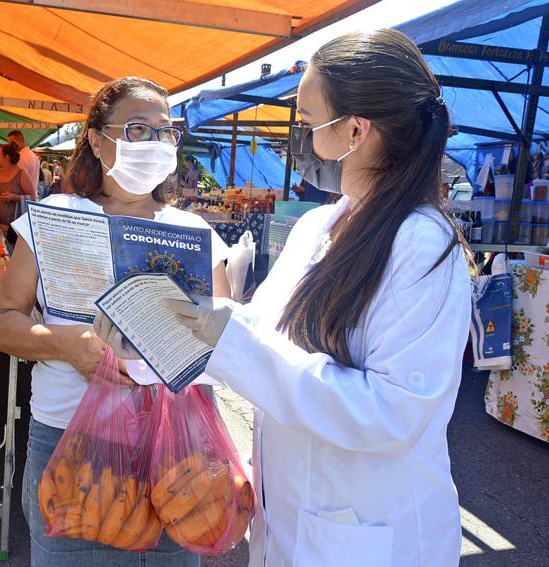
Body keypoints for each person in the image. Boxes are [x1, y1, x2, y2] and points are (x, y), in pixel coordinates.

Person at [105, 30, 472, 567]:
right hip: (294, 518)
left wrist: (217, 331)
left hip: (370, 535)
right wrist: (159, 338)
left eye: (305, 123)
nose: (299, 139)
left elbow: (390, 415)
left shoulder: (422, 245)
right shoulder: (321, 224)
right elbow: (261, 337)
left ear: (354, 131)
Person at [0, 76, 230, 567]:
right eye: (138, 129)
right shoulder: (52, 218)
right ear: (97, 139)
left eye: (166, 131)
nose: (155, 144)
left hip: (173, 448)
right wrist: (64, 344)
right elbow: (1, 323)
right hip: (72, 440)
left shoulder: (195, 232)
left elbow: (225, 345)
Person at [0, 143, 37, 247]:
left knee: (12, 257)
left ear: (6, 158)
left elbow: (33, 198)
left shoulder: (21, 174)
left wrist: (15, 197)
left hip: (15, 230)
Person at [8, 129, 41, 195]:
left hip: (23, 199)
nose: (10, 146)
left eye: (11, 143)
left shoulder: (20, 157)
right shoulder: (33, 155)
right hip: (32, 197)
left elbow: (18, 182)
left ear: (19, 141)